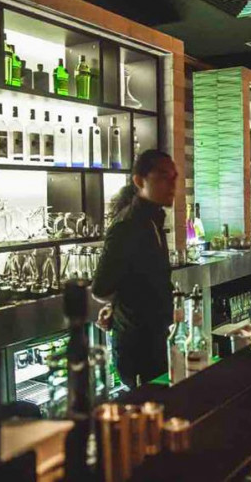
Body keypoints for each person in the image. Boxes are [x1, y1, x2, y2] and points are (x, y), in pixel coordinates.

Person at [92, 149, 178, 388]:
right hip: (138, 348)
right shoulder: (127, 225)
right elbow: (100, 288)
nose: (172, 185)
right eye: (163, 177)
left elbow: (139, 278)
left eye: (174, 177)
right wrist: (121, 305)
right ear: (139, 181)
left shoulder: (152, 220)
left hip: (158, 339)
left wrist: (116, 305)